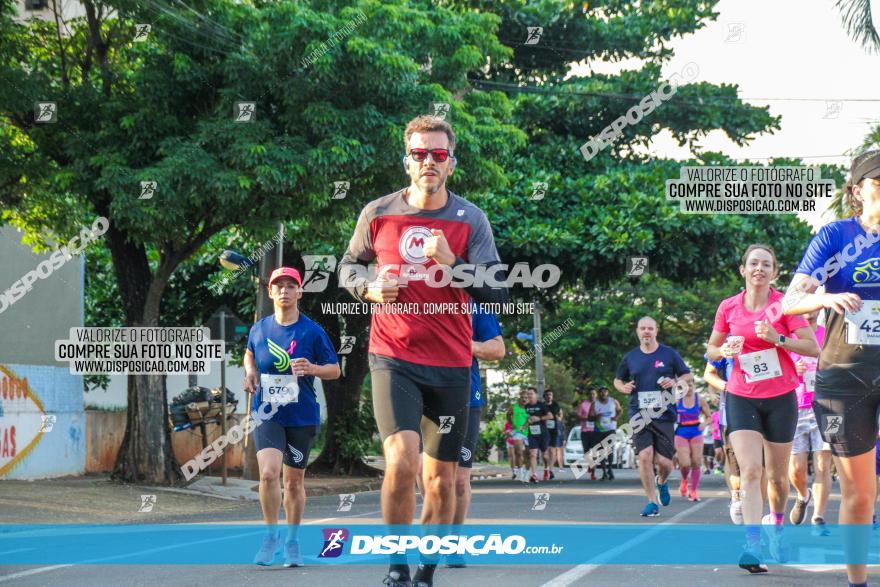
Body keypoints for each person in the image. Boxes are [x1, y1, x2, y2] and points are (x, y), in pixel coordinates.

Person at [339, 115, 508, 587]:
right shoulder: (377, 213)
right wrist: (371, 289)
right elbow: (348, 269)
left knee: (440, 480)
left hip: (452, 364)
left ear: (450, 163)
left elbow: (496, 290)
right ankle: (396, 564)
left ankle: (426, 570)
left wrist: (453, 265)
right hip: (393, 356)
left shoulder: (470, 219)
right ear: (407, 160)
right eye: (420, 154)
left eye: (438, 154)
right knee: (402, 459)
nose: (428, 162)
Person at [782, 151, 880, 587]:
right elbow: (789, 302)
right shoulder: (835, 236)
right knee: (860, 493)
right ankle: (858, 582)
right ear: (858, 191)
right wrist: (823, 298)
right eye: (879, 183)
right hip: (845, 377)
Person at [707, 244, 819, 574]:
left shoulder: (786, 305)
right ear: (742, 270)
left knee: (778, 479)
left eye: (766, 264)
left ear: (774, 272)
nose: (759, 268)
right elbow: (712, 350)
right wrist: (723, 349)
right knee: (751, 472)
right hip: (741, 396)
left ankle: (778, 526)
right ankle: (752, 545)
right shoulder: (728, 307)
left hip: (781, 398)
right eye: (753, 263)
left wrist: (778, 339)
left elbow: (813, 347)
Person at [242, 267, 341, 567]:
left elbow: (335, 370)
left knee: (294, 483)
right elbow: (249, 353)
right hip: (268, 413)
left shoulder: (313, 331)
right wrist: (250, 372)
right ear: (270, 292)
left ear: (300, 292)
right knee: (269, 474)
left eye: (290, 286)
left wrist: (312, 368)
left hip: (301, 416)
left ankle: (293, 540)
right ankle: (270, 535)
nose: (284, 291)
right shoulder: (259, 329)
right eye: (278, 286)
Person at [614, 316, 694, 517]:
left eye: (650, 328)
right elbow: (617, 380)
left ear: (656, 331)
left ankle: (662, 481)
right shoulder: (630, 357)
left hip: (664, 414)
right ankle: (651, 502)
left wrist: (674, 381)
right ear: (638, 332)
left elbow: (687, 375)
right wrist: (623, 387)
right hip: (639, 413)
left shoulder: (669, 354)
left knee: (665, 463)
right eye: (643, 328)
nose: (646, 332)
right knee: (644, 456)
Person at [447, 306, 503, 568]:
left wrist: (466, 345)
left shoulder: (476, 305)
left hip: (467, 397)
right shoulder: (419, 297)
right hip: (425, 397)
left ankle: (453, 542)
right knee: (427, 474)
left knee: (459, 479)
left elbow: (497, 349)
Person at [787, 310, 832, 536]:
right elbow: (776, 370)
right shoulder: (787, 337)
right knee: (796, 469)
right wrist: (792, 369)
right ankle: (803, 495)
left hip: (826, 407)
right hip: (795, 408)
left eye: (812, 305)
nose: (808, 312)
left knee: (824, 465)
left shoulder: (830, 334)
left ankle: (818, 517)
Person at [674, 386, 712, 502]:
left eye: (691, 384)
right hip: (681, 431)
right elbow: (668, 416)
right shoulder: (677, 400)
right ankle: (685, 479)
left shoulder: (699, 399)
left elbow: (709, 417)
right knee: (685, 463)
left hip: (696, 431)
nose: (689, 388)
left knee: (696, 461)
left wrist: (705, 424)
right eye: (686, 385)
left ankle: (693, 491)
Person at [589, 386, 621, 481]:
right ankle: (604, 472)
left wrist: (616, 417)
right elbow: (589, 417)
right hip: (599, 430)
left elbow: (620, 410)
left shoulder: (613, 401)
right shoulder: (595, 403)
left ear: (608, 393)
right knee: (601, 451)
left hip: (611, 429)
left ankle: (610, 469)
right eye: (601, 392)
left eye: (605, 391)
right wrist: (596, 416)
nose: (603, 393)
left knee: (610, 449)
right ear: (599, 393)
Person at [524, 387, 550, 483]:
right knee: (532, 454)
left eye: (531, 393)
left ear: (536, 395)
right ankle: (534, 474)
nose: (529, 395)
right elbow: (528, 419)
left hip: (543, 433)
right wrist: (524, 426)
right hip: (532, 433)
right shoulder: (526, 407)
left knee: (545, 455)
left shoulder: (541, 405)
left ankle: (546, 468)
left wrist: (539, 418)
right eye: (528, 394)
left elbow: (550, 416)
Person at [576, 389, 598, 480]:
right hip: (585, 431)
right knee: (586, 451)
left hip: (596, 431)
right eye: (590, 394)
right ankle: (590, 464)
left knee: (595, 451)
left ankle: (593, 471)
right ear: (588, 395)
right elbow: (577, 415)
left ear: (596, 395)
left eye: (593, 394)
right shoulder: (583, 404)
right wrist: (586, 418)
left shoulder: (599, 404)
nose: (592, 395)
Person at [542, 388, 563, 480]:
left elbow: (560, 413)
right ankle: (546, 467)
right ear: (544, 396)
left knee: (552, 451)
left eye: (550, 395)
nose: (549, 396)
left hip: (554, 430)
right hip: (544, 430)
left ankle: (550, 470)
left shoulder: (555, 404)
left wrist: (559, 418)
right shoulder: (541, 405)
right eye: (547, 395)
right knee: (545, 451)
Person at [511, 390, 530, 482]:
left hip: (529, 433)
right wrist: (511, 424)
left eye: (526, 398)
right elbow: (508, 414)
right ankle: (521, 472)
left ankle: (527, 472)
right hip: (517, 432)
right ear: (520, 397)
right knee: (518, 452)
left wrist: (525, 426)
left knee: (528, 454)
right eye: (522, 397)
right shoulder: (514, 406)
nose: (524, 399)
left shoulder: (530, 408)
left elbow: (530, 419)